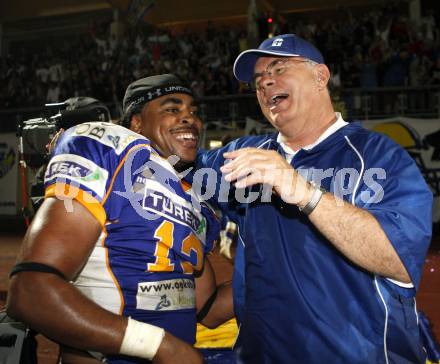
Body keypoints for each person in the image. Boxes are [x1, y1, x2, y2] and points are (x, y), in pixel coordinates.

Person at [196, 34, 433, 363]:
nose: (265, 83)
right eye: (258, 80)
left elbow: (399, 260)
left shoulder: (377, 156)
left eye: (278, 68)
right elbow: (176, 174)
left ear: (320, 76)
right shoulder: (243, 155)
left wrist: (301, 190)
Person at [6, 74, 232, 364]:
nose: (190, 119)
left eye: (194, 112)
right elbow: (31, 291)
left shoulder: (194, 199)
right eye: (172, 109)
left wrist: (274, 276)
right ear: (136, 122)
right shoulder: (110, 151)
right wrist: (160, 346)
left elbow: (208, 309)